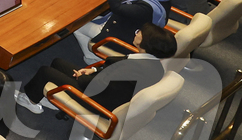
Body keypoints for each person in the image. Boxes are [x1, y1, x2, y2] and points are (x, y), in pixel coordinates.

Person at [17, 24, 176, 115]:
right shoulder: (154, 64)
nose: (137, 32)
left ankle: (30, 101)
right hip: (109, 92)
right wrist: (92, 71)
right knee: (58, 62)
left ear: (147, 43)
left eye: (140, 33)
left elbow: (93, 85)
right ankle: (52, 97)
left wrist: (83, 76)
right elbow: (110, 75)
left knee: (46, 71)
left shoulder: (132, 67)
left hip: (97, 101)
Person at [73, 0, 180, 62]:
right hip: (124, 25)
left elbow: (117, 8)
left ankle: (92, 58)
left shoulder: (147, 8)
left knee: (77, 26)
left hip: (119, 36)